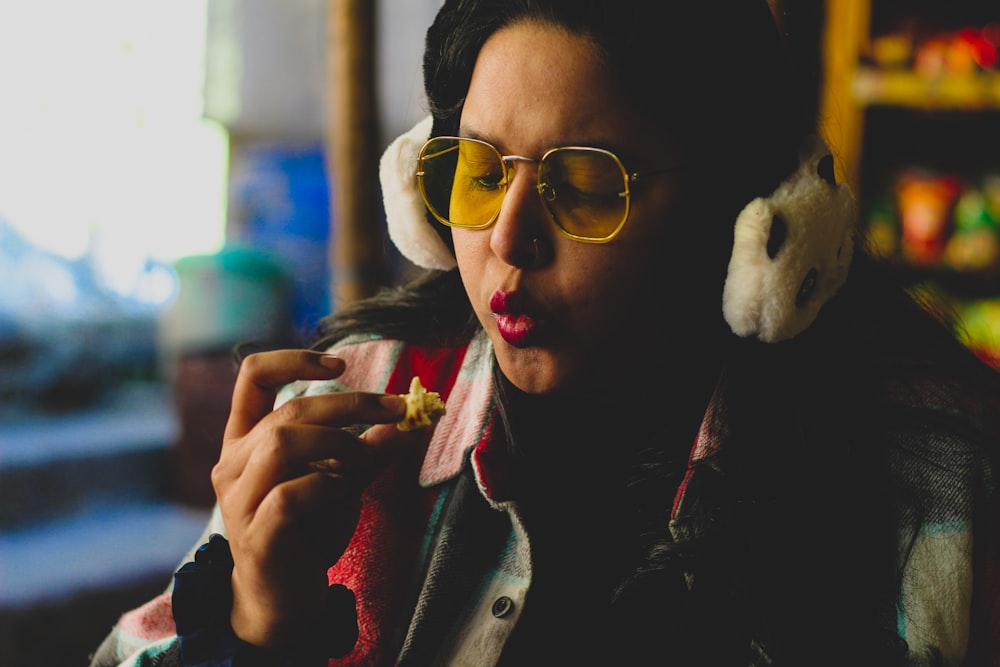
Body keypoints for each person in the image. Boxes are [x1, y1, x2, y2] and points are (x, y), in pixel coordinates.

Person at [90, 1, 1000, 665]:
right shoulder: (345, 409)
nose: (507, 241)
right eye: (479, 171)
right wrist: (254, 622)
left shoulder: (926, 470)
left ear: (750, 220)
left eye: (589, 182)